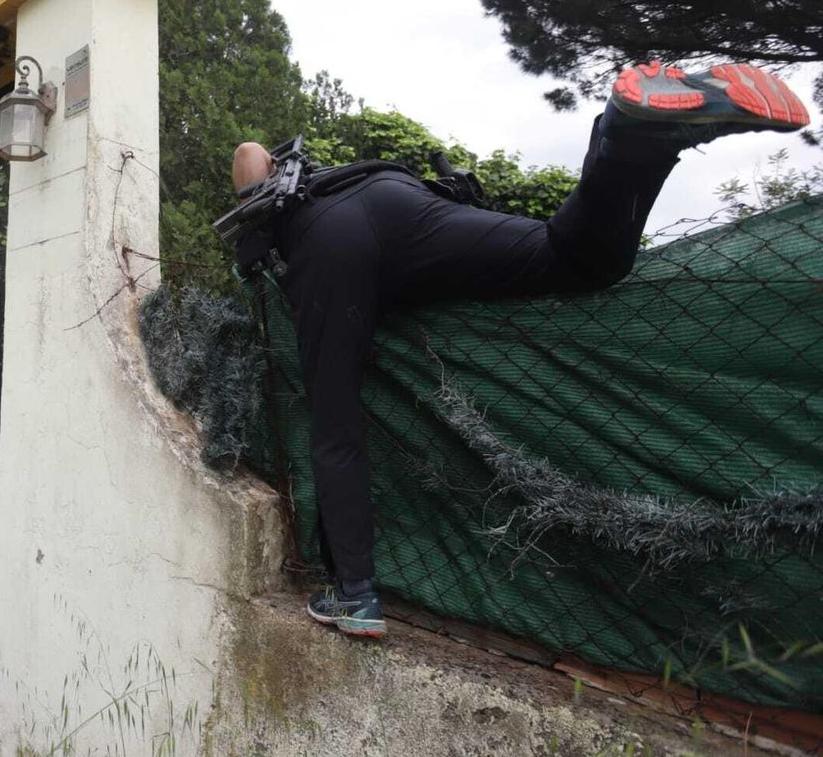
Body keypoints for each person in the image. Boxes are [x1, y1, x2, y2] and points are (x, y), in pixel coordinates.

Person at [225, 62, 811, 638]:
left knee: (335, 427)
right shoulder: (331, 168)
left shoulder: (285, 210)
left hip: (332, 248)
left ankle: (354, 595)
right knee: (574, 258)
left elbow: (248, 153)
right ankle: (632, 142)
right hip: (401, 200)